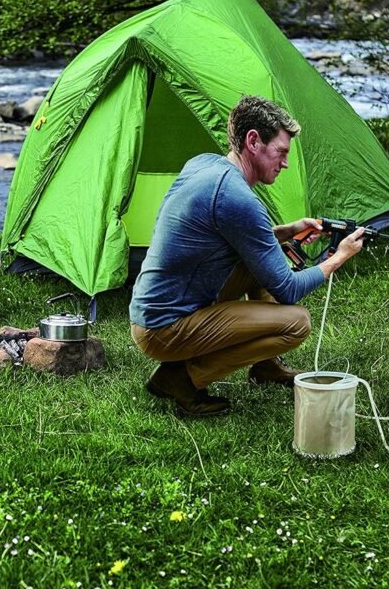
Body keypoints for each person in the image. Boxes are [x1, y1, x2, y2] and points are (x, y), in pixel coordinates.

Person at [129, 95, 365, 416]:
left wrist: (289, 229)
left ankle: (266, 367)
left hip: (155, 308)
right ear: (253, 141)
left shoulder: (206, 164)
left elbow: (240, 237)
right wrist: (339, 256)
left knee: (257, 264)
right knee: (297, 323)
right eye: (280, 152)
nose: (285, 163)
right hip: (163, 329)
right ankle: (181, 378)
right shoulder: (237, 198)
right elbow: (288, 290)